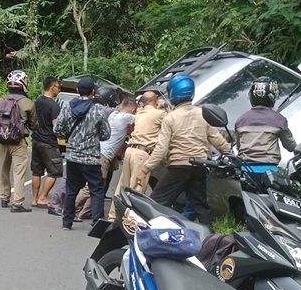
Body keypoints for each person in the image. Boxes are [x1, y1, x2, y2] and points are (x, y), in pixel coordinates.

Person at [143, 74, 230, 226]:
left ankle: (149, 233)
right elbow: (217, 139)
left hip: (178, 167)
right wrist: (230, 153)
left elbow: (161, 149)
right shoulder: (203, 113)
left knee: (156, 202)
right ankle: (210, 239)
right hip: (199, 166)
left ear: (172, 94)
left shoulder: (171, 117)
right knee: (201, 206)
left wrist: (146, 168)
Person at [54, 75, 111, 231]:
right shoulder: (98, 110)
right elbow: (106, 135)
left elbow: (57, 130)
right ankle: (97, 223)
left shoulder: (68, 107)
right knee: (97, 190)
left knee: (71, 188)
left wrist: (69, 136)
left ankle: (67, 222)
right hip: (91, 158)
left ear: (78, 90)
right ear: (93, 92)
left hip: (72, 156)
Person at [75, 95, 136, 220]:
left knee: (98, 186)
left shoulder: (114, 115)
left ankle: (84, 212)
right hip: (102, 156)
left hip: (99, 153)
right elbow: (142, 118)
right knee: (92, 187)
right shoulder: (125, 117)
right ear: (131, 108)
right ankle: (72, 209)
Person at [107, 90, 165, 219]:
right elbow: (171, 119)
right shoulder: (159, 114)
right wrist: (161, 106)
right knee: (136, 190)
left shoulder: (139, 113)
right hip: (142, 153)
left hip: (130, 151)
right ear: (154, 101)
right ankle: (128, 221)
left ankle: (113, 217)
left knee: (122, 186)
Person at [0, 70, 37, 211]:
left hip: (2, 141)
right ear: (24, 84)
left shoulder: (0, 101)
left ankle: (4, 198)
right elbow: (34, 124)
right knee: (18, 172)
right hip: (18, 142)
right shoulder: (28, 103)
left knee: (4, 169)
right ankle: (17, 203)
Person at [234, 77, 296, 163]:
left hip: (247, 171)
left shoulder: (240, 121)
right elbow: (290, 146)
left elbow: (238, 147)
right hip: (270, 169)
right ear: (272, 96)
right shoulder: (279, 120)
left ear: (251, 96)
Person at [31, 75, 63, 206]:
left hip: (36, 140)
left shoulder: (37, 101)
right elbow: (57, 127)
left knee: (37, 171)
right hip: (49, 142)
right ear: (52, 87)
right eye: (58, 86)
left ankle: (34, 199)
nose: (59, 89)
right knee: (54, 171)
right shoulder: (54, 105)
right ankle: (43, 197)